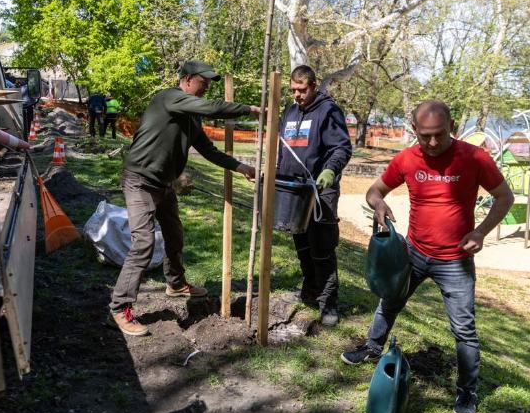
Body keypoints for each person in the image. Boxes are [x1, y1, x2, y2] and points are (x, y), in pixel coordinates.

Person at [340, 101, 514, 413]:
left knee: (464, 330)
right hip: (414, 253)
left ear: (452, 127)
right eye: (425, 136)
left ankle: (467, 392)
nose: (432, 143)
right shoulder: (407, 158)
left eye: (439, 135)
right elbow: (374, 191)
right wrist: (378, 205)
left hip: (456, 260)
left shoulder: (474, 157)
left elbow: (505, 197)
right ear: (414, 130)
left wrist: (481, 232)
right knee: (389, 302)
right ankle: (372, 348)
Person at [108, 60, 260, 337]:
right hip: (140, 180)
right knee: (143, 243)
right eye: (204, 82)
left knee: (174, 234)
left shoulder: (191, 118)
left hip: (164, 184)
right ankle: (120, 307)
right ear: (188, 79)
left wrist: (241, 167)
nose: (207, 87)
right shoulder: (169, 98)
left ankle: (176, 283)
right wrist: (248, 109)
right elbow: (212, 107)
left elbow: (209, 151)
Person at [277, 65, 352, 326]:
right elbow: (282, 149)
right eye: (293, 90)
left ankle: (329, 303)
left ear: (314, 86)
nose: (297, 95)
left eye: (301, 90)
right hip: (294, 190)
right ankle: (310, 291)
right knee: (302, 244)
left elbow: (342, 147)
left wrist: (330, 170)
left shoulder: (328, 111)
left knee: (322, 247)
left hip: (321, 190)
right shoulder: (289, 112)